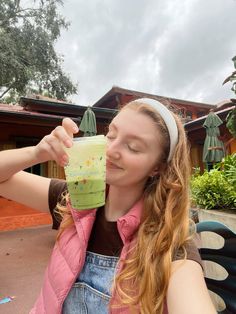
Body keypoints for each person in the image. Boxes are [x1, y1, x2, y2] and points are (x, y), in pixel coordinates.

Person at [0, 98, 216, 314]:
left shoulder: (168, 243)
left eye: (133, 147)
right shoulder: (73, 199)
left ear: (157, 167)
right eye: (111, 135)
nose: (111, 149)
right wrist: (37, 154)